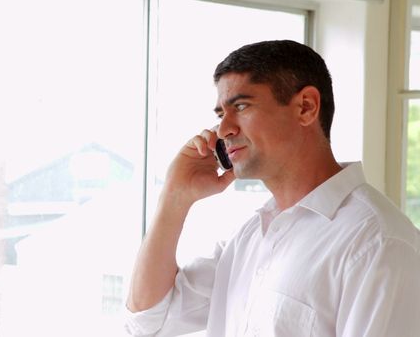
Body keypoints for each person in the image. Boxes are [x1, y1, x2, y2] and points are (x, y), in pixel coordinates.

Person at [124, 40, 420, 337]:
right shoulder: (250, 237)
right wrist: (174, 198)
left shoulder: (380, 244)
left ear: (306, 107)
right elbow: (148, 321)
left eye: (240, 106)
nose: (223, 130)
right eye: (220, 114)